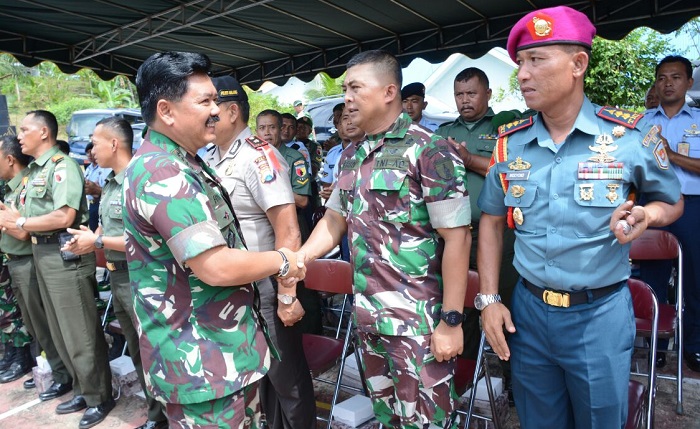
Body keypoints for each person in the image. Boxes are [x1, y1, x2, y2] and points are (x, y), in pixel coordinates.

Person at [477, 7, 684, 429]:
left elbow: (672, 202)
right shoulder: (509, 145)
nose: (523, 74)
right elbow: (491, 223)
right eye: (520, 63)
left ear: (578, 64)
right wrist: (490, 299)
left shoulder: (630, 137)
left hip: (598, 317)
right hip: (528, 314)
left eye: (536, 60)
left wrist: (647, 214)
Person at [123, 51, 305, 428]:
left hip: (224, 354)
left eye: (217, 101)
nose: (216, 111)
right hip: (202, 365)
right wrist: (284, 261)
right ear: (167, 111)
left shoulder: (186, 161)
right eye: (204, 101)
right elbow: (216, 266)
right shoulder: (162, 170)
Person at [291, 49, 472, 428]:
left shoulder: (429, 149)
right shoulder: (352, 155)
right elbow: (334, 219)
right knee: (388, 418)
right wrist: (298, 260)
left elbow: (457, 239)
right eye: (345, 89)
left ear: (389, 91)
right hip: (368, 320)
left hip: (418, 324)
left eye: (356, 88)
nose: (347, 98)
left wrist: (451, 321)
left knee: (429, 422)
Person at [205, 76, 316, 429]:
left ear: (233, 111)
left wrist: (286, 296)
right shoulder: (210, 157)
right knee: (253, 378)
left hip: (266, 286)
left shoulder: (259, 157)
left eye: (212, 109)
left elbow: (288, 230)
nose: (206, 116)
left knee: (287, 379)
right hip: (231, 286)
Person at [60, 117, 168, 429]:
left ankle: (163, 416)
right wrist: (89, 238)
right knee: (137, 351)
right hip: (118, 276)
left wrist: (96, 240)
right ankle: (155, 415)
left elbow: (146, 239)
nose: (91, 149)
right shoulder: (111, 182)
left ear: (114, 143)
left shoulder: (137, 180)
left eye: (95, 141)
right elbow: (107, 227)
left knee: (152, 352)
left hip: (139, 275)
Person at [10, 110, 114, 429]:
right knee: (58, 329)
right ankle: (82, 388)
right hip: (42, 253)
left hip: (63, 252)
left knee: (79, 331)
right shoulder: (33, 173)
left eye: (24, 129)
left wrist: (19, 222)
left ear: (43, 133)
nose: (19, 136)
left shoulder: (62, 167)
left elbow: (64, 217)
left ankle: (99, 396)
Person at [434, 66, 520, 401]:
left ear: (487, 94)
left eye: (471, 93)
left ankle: (513, 379)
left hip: (498, 237)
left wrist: (469, 159)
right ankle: (464, 375)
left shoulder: (506, 128)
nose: (465, 100)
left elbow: (513, 169)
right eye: (459, 94)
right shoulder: (443, 131)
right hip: (453, 237)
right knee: (460, 310)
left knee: (505, 305)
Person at [641, 55, 700, 373]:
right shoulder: (643, 121)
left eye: (675, 77)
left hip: (693, 207)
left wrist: (669, 153)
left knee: (696, 280)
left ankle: (694, 346)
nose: (668, 83)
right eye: (662, 77)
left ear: (689, 82)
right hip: (655, 204)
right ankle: (656, 345)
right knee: (653, 280)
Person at [0, 136, 69, 393]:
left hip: (29, 260)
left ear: (9, 159)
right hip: (16, 261)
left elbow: (23, 231)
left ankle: (61, 375)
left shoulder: (26, 187)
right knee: (35, 326)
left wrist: (9, 222)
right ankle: (52, 370)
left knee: (44, 325)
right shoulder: (11, 188)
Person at [256, 109, 322, 335]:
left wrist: (267, 192)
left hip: (294, 224)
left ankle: (312, 333)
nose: (267, 132)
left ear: (281, 130)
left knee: (299, 281)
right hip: (264, 228)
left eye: (272, 127)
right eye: (262, 128)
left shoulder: (294, 158)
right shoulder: (254, 159)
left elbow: (303, 200)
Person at [0, 136, 33, 384]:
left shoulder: (21, 185)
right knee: (5, 311)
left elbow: (20, 227)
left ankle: (22, 355)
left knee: (13, 311)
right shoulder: (8, 184)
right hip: (8, 253)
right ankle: (11, 352)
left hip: (19, 255)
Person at [83, 142, 111, 232]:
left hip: (100, 202)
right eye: (87, 153)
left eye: (91, 151)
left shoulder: (104, 168)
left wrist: (97, 189)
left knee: (101, 230)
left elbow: (108, 188)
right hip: (90, 203)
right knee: (93, 228)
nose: (90, 154)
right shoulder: (88, 169)